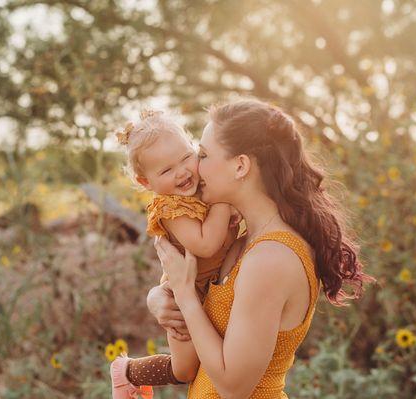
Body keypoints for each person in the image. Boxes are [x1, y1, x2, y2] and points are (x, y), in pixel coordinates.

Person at [148, 98, 375, 398]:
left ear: (240, 165)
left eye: (202, 154)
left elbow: (232, 386)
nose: (193, 168)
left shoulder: (271, 258)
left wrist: (185, 295)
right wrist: (161, 297)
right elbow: (192, 365)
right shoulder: (241, 244)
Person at [109, 109, 240, 398]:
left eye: (185, 157)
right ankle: (127, 372)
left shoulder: (205, 185)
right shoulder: (170, 208)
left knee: (216, 358)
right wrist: (223, 202)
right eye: (166, 170)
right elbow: (205, 245)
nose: (181, 172)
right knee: (185, 370)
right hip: (183, 297)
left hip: (216, 288)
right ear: (146, 183)